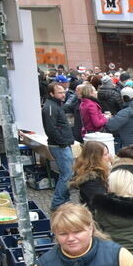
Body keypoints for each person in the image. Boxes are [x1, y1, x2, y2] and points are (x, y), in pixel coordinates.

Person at [42, 81, 76, 210]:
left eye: (63, 91)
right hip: (59, 146)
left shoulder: (55, 105)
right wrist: (62, 142)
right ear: (51, 93)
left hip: (61, 144)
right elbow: (51, 129)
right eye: (59, 92)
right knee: (66, 174)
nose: (63, 94)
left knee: (67, 174)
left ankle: (63, 201)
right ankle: (58, 203)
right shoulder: (50, 107)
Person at [70, 140, 111, 209]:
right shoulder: (91, 180)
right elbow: (102, 203)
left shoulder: (101, 170)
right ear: (95, 158)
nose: (109, 157)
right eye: (105, 154)